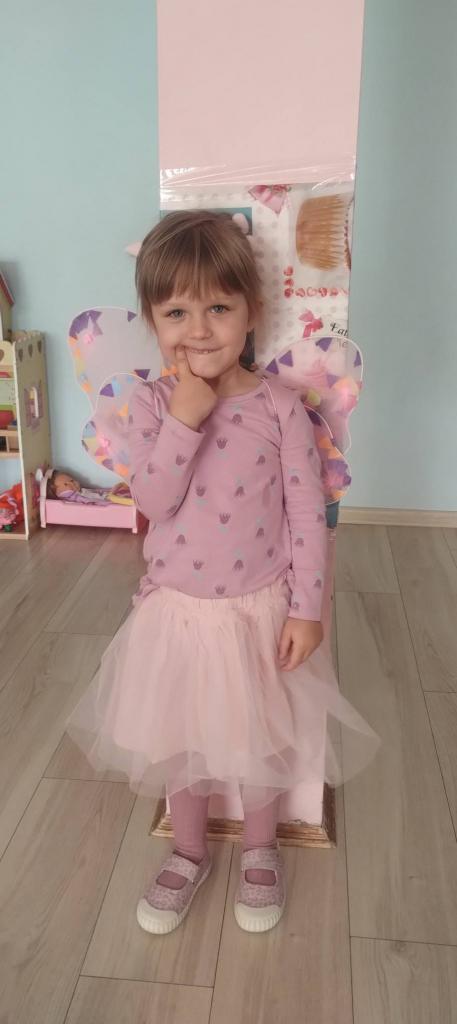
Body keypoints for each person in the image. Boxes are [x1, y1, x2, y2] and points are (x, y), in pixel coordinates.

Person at [65, 210, 380, 936]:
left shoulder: (280, 409)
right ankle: (186, 851)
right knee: (181, 740)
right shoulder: (151, 405)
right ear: (153, 320)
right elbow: (153, 500)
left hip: (257, 612)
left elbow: (307, 516)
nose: (199, 329)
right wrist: (185, 418)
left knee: (257, 739)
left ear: (250, 312)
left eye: (218, 307)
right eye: (177, 312)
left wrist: (307, 610)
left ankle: (260, 847)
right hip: (176, 614)